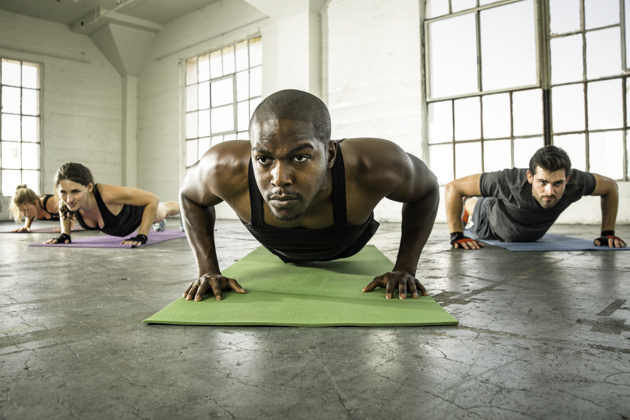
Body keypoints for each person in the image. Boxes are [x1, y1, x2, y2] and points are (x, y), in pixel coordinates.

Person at [179, 89, 440, 302]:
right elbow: (189, 196)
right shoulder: (222, 168)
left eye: (300, 157)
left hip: (348, 244)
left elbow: (427, 190)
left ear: (330, 154)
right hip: (278, 247)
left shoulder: (374, 165)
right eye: (264, 159)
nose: (279, 179)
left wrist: (405, 268)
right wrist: (208, 269)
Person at [445, 145, 626, 249]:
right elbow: (453, 187)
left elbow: (611, 187)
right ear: (530, 176)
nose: (549, 192)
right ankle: (467, 205)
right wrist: (456, 235)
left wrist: (607, 233)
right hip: (490, 222)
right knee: (478, 205)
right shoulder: (508, 180)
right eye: (542, 182)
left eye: (557, 184)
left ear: (567, 179)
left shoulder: (576, 183)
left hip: (524, 227)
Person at [44, 162, 181, 246]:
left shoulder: (108, 194)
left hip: (137, 213)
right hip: (120, 224)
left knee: (165, 209)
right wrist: (65, 234)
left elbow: (152, 199)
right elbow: (64, 207)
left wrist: (142, 235)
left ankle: (185, 206)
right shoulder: (66, 203)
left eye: (75, 191)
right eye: (63, 192)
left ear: (90, 187)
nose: (69, 199)